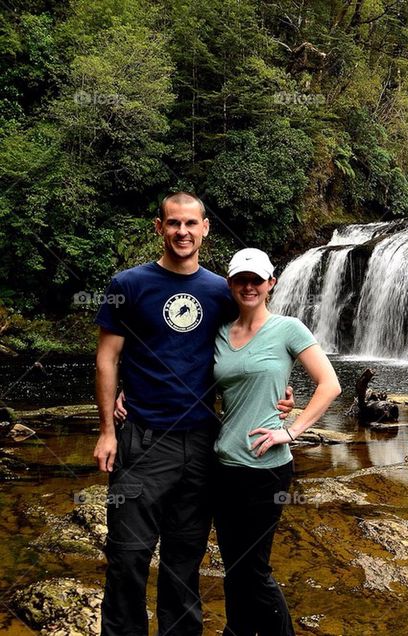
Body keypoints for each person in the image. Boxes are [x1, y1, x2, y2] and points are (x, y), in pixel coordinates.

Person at [93, 192, 294, 636]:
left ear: (205, 229)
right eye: (173, 223)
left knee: (185, 560)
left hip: (203, 442)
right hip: (143, 438)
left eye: (190, 223)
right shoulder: (129, 285)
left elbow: (258, 340)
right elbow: (107, 358)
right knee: (128, 556)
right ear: (159, 228)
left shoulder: (220, 292)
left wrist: (280, 391)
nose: (181, 231)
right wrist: (107, 429)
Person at [212, 248, 341, 635]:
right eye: (241, 280)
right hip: (223, 466)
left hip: (266, 470)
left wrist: (290, 429)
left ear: (271, 283)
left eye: (257, 280)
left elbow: (330, 384)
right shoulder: (219, 333)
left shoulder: (289, 328)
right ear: (231, 284)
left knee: (255, 567)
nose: (249, 286)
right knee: (232, 564)